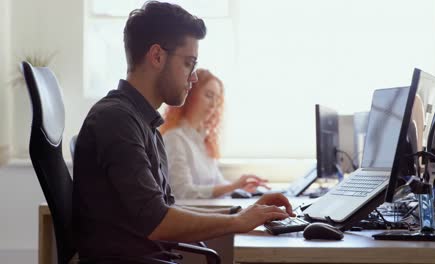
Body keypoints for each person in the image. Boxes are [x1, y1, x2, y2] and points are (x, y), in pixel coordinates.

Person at [72, 1, 294, 262]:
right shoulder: (117, 120)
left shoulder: (144, 123)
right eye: (189, 63)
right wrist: (238, 221)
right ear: (157, 56)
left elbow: (165, 211)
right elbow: (159, 222)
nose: (194, 78)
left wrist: (242, 212)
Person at [160, 68, 269, 199]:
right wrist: (233, 187)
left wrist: (241, 188)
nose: (214, 104)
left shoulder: (203, 139)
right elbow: (182, 192)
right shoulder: (174, 138)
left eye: (217, 99)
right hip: (193, 215)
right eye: (209, 95)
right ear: (189, 95)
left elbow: (218, 183)